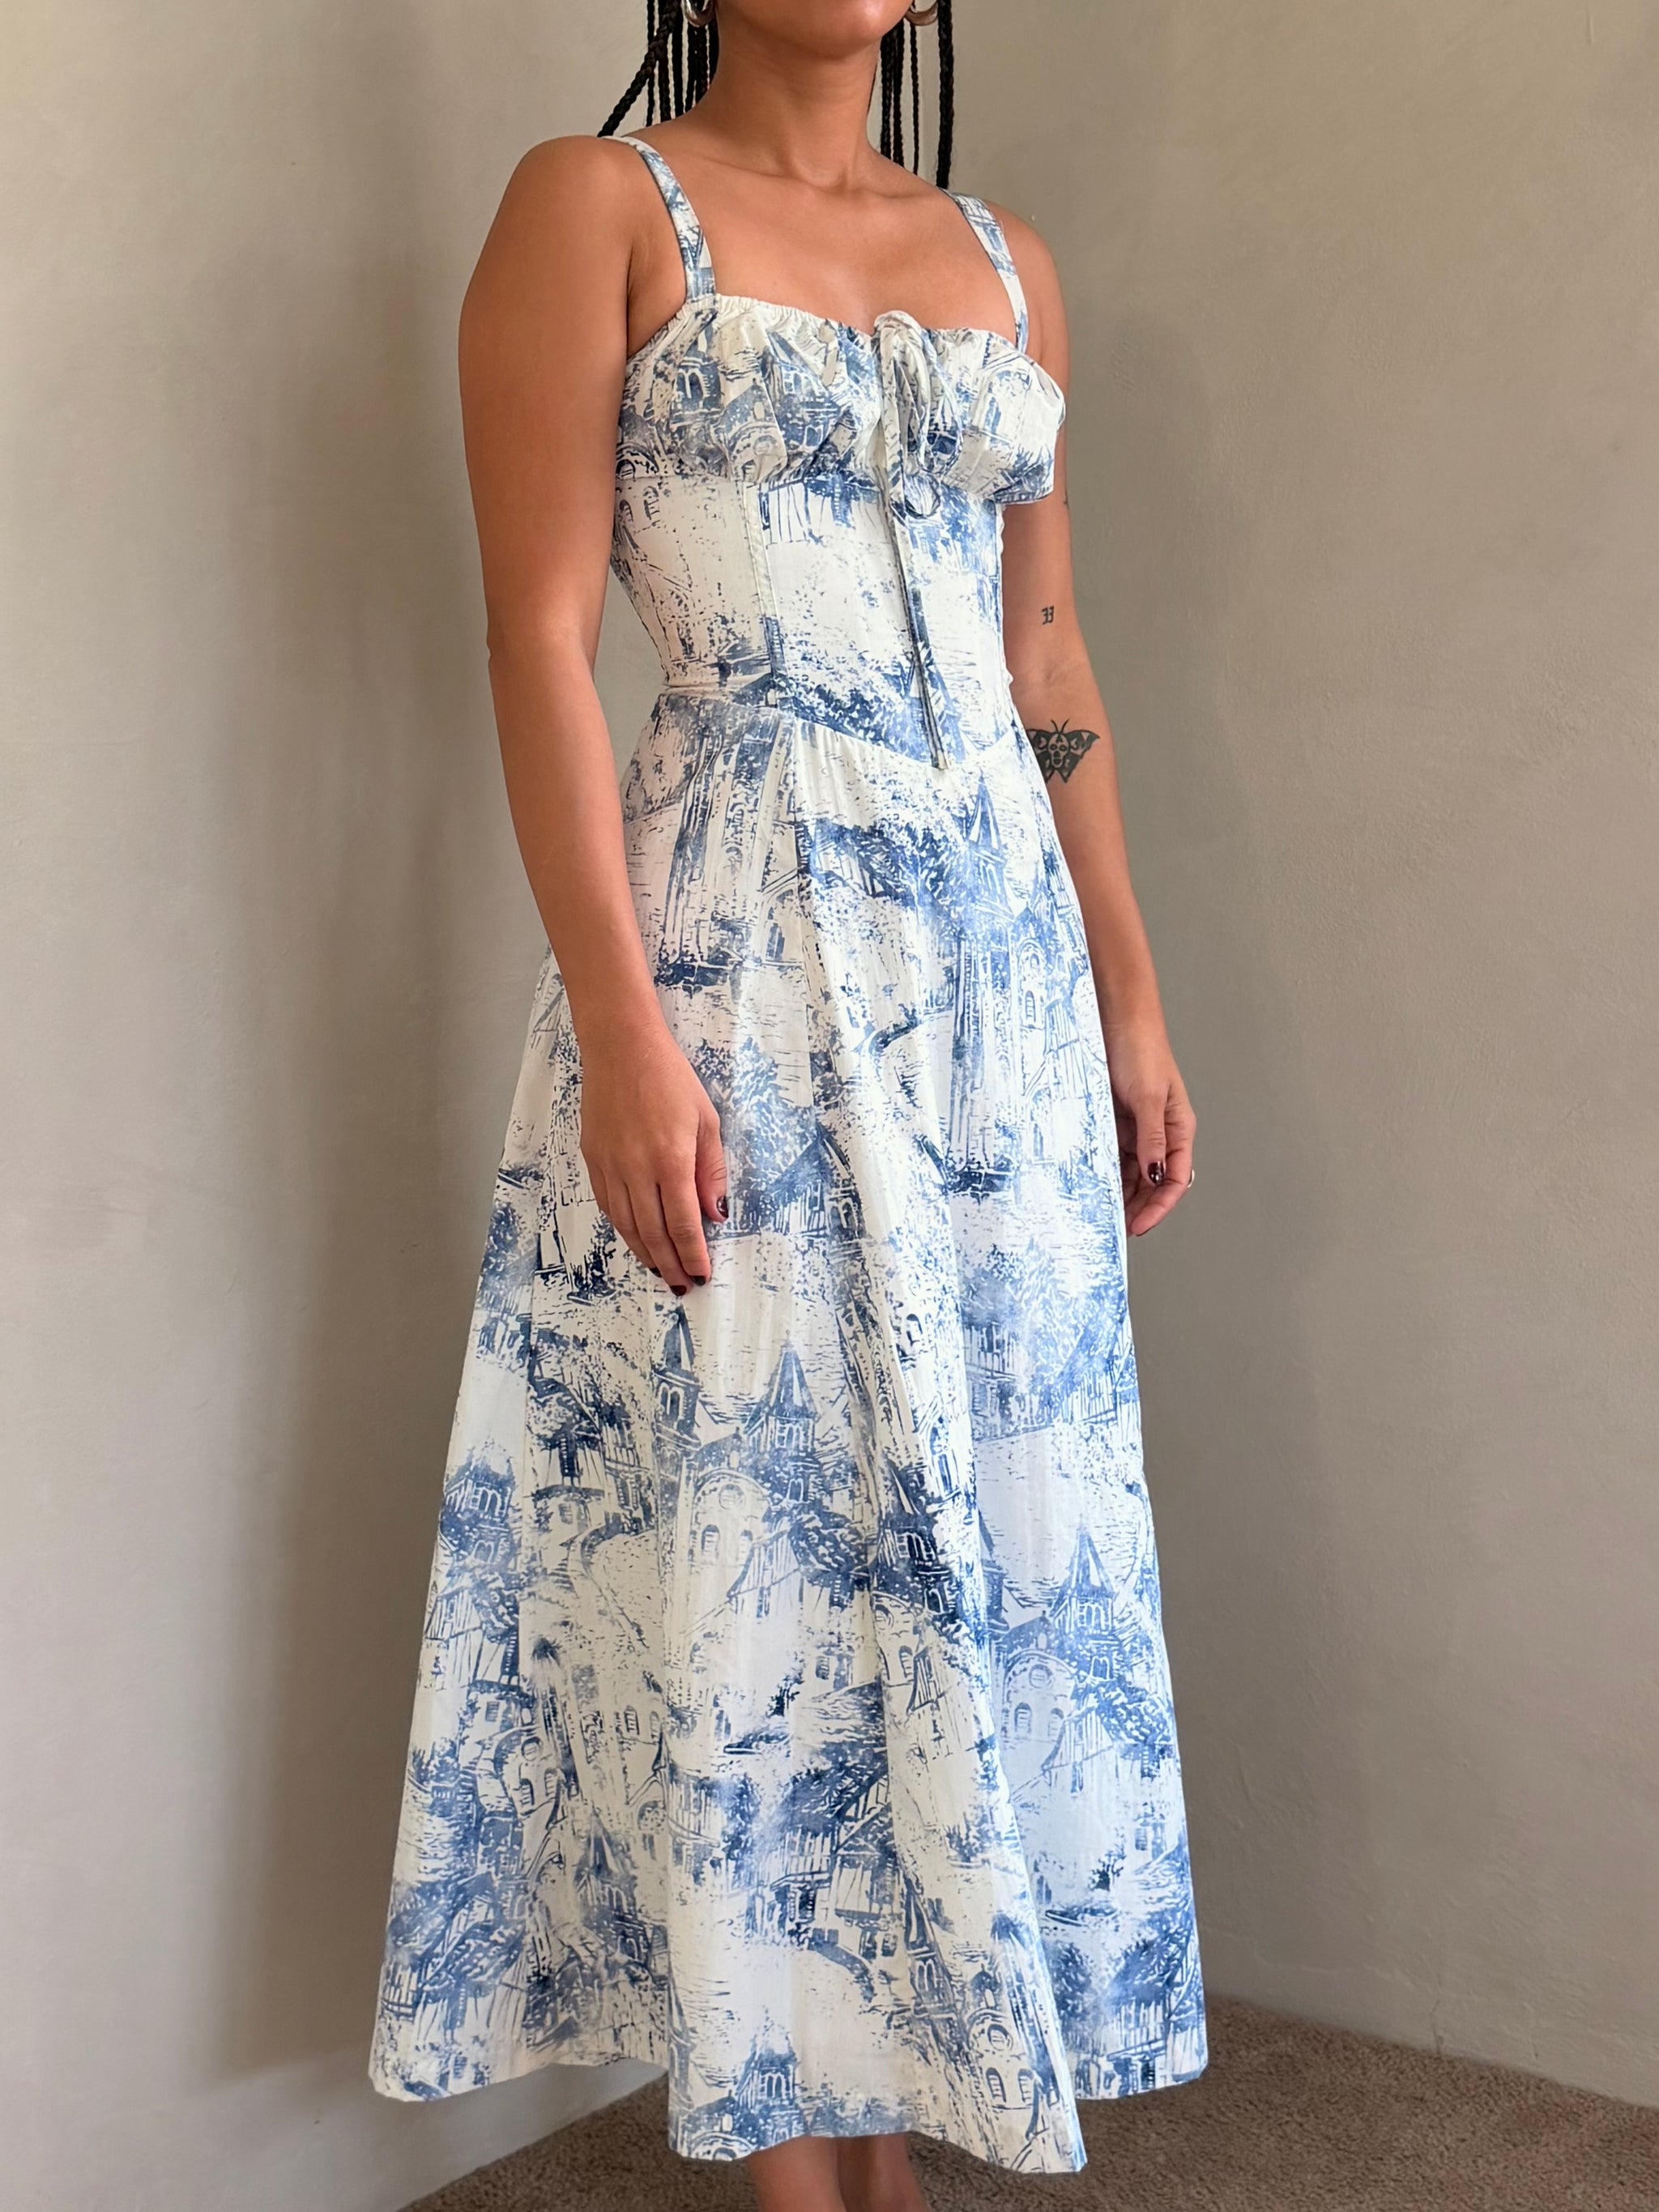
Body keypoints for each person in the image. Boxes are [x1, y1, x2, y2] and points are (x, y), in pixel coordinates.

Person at [369, 3, 1207, 2205]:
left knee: (963, 1516)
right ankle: (800, 2163)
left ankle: (896, 2130)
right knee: (783, 1522)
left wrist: (1127, 991)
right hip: (743, 946)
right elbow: (539, 635)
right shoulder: (597, 206)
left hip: (993, 985)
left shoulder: (1007, 262)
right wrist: (621, 1020)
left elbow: (1047, 657)